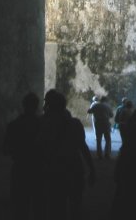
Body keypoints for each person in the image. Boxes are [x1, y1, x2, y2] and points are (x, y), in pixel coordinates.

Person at [37, 89, 95, 219]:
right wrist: (91, 168)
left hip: (55, 169)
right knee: (75, 206)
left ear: (49, 106)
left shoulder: (44, 124)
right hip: (75, 167)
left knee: (57, 206)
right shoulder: (75, 124)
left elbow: (40, 149)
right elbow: (83, 147)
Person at [4, 92, 42, 220]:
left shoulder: (13, 125)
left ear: (23, 105)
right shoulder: (42, 125)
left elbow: (6, 149)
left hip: (20, 168)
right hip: (38, 169)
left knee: (20, 206)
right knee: (38, 206)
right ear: (37, 106)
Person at [87, 95, 113, 159]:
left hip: (98, 123)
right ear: (106, 100)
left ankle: (99, 154)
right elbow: (111, 115)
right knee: (108, 139)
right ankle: (107, 154)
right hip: (106, 123)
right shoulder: (108, 106)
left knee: (99, 139)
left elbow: (89, 111)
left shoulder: (95, 105)